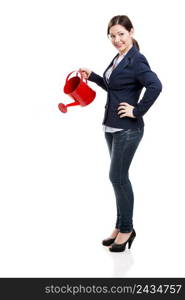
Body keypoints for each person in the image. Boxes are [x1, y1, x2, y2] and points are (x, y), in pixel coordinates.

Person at [79, 15, 162, 252]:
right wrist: (93, 76)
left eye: (121, 34)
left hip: (128, 129)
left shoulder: (136, 60)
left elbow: (156, 86)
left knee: (118, 177)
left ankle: (127, 229)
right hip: (112, 127)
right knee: (118, 179)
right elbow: (113, 86)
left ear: (131, 32)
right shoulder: (119, 58)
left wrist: (137, 111)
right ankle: (120, 225)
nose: (116, 40)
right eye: (112, 36)